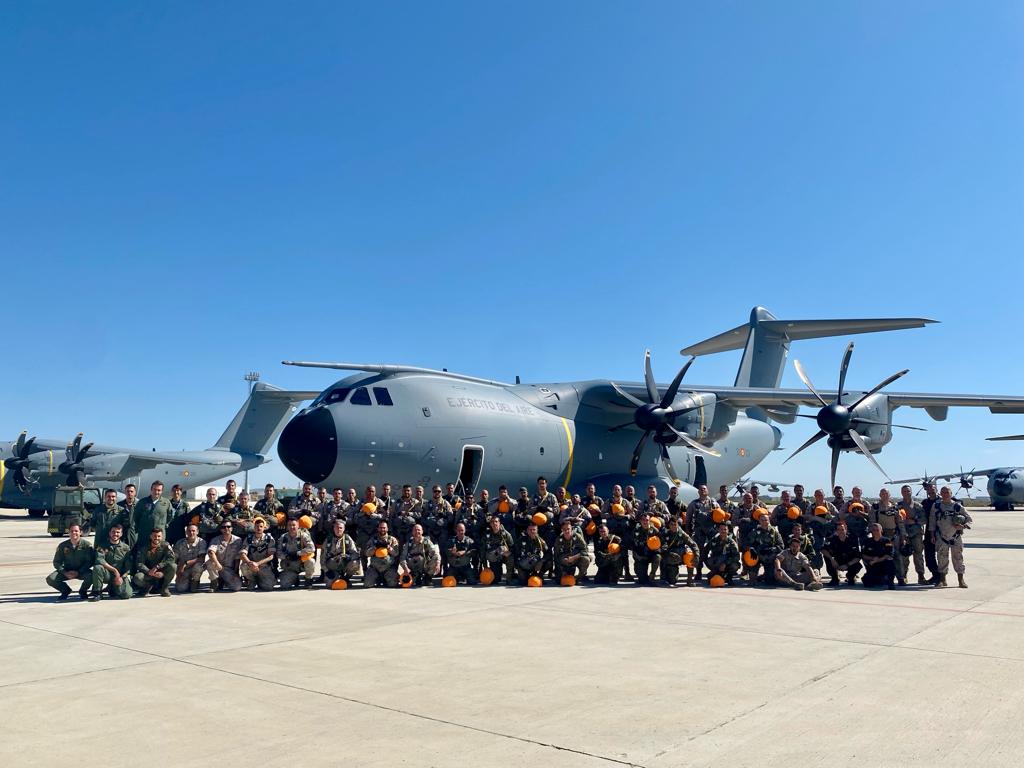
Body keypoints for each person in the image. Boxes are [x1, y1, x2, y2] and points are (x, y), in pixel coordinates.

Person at [932, 485, 973, 588]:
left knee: (958, 558)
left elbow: (969, 520)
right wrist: (932, 535)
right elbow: (932, 521)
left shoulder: (957, 507)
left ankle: (961, 580)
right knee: (942, 558)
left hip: (955, 537)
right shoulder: (936, 506)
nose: (945, 494)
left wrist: (962, 526)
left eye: (947, 492)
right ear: (940, 494)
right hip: (942, 536)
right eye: (943, 492)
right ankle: (942, 580)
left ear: (951, 494)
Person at [47, 522, 94, 600]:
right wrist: (64, 572)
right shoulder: (63, 546)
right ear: (68, 532)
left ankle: (83, 591)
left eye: (76, 531)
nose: (74, 533)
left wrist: (79, 572)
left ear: (80, 532)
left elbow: (90, 561)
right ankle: (65, 590)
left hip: (82, 571)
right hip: (67, 571)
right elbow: (57, 562)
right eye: (71, 531)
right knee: (51, 579)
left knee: (92, 576)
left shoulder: (87, 545)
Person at [870, 488, 907, 585]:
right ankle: (884, 577)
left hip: (894, 535)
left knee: (897, 557)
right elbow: (872, 523)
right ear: (879, 495)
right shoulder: (875, 507)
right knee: (882, 557)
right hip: (881, 536)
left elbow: (900, 523)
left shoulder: (895, 507)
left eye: (886, 493)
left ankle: (901, 578)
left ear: (889, 495)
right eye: (882, 493)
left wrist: (903, 536)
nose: (884, 495)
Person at [90, 523, 132, 601]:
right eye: (113, 532)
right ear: (109, 533)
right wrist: (114, 570)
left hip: (120, 575)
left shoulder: (125, 548)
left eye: (118, 532)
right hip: (107, 574)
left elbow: (128, 566)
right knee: (97, 567)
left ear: (121, 534)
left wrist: (121, 577)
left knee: (126, 594)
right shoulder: (102, 545)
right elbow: (100, 560)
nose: (115, 534)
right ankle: (98, 592)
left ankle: (112, 588)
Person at [686, 485, 718, 582]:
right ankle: (698, 571)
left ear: (707, 491)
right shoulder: (693, 504)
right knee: (698, 551)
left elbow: (719, 515)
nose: (703, 490)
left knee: (716, 550)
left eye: (704, 489)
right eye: (701, 489)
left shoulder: (713, 502)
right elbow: (688, 518)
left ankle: (715, 570)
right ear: (698, 492)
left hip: (711, 530)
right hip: (699, 531)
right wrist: (688, 530)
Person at [897, 485, 927, 584]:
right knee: (904, 555)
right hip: (904, 533)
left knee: (918, 555)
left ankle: (921, 575)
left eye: (908, 491)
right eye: (904, 491)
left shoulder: (918, 506)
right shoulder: (898, 506)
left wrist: (914, 521)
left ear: (911, 492)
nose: (906, 493)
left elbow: (924, 519)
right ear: (901, 493)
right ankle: (903, 575)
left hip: (916, 533)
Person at [132, 528, 176, 597]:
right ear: (150, 536)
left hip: (161, 572)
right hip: (148, 573)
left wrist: (158, 567)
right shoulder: (144, 547)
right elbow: (139, 563)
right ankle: (147, 587)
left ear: (162, 537)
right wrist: (149, 571)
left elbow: (171, 558)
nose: (157, 538)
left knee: (173, 566)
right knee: (138, 577)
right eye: (154, 536)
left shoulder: (166, 545)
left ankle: (164, 588)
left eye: (159, 536)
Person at [603, 485, 634, 580]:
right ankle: (614, 573)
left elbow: (632, 515)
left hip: (624, 531)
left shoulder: (626, 502)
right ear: (613, 491)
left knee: (624, 553)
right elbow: (602, 514)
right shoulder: (609, 502)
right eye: (615, 489)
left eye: (618, 489)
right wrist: (611, 514)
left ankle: (627, 573)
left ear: (621, 491)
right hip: (612, 531)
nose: (617, 491)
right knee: (612, 551)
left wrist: (625, 516)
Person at [240, 517, 277, 592]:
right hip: (251, 565)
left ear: (264, 528)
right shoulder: (249, 538)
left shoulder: (269, 538)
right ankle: (251, 580)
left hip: (264, 565)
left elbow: (271, 556)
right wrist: (250, 563)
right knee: (244, 566)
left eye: (261, 526)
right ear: (254, 527)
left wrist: (257, 563)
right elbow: (242, 554)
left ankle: (260, 580)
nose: (259, 528)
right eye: (257, 526)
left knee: (268, 587)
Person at [422, 486, 453, 574]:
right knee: (431, 552)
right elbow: (423, 517)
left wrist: (444, 521)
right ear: (433, 492)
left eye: (439, 491)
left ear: (441, 492)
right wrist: (429, 522)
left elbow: (451, 517)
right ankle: (433, 571)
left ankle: (445, 570)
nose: (437, 493)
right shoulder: (428, 504)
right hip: (431, 532)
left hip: (442, 531)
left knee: (443, 551)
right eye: (435, 491)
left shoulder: (445, 504)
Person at [278, 518, 316, 589]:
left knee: (311, 561)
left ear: (298, 525)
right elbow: (278, 552)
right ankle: (294, 578)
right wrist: (287, 556)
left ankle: (308, 579)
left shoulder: (303, 535)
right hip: (290, 564)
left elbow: (312, 548)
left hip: (302, 563)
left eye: (294, 525)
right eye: (289, 525)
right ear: (287, 526)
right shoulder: (283, 537)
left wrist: (298, 553)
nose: (292, 527)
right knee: (284, 585)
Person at [821, 519, 862, 586]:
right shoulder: (832, 539)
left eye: (842, 529)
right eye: (838, 530)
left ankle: (850, 577)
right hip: (837, 561)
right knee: (826, 557)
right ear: (836, 531)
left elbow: (858, 556)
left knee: (857, 565)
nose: (841, 531)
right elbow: (823, 550)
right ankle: (835, 579)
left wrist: (847, 565)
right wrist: (832, 559)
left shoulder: (853, 539)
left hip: (848, 562)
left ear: (846, 529)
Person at [660, 515, 697, 587]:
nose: (673, 526)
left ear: (677, 525)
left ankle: (690, 580)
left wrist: (696, 555)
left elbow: (693, 544)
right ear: (669, 525)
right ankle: (664, 576)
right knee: (672, 581)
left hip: (681, 556)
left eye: (675, 524)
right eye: (671, 524)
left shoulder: (681, 534)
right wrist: (668, 553)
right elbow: (661, 548)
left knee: (690, 555)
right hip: (671, 558)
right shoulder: (665, 533)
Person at [747, 513, 784, 584]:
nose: (764, 522)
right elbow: (747, 544)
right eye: (762, 520)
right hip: (757, 556)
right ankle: (753, 575)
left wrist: (771, 549)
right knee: (752, 582)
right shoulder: (754, 532)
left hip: (769, 558)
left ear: (769, 520)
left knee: (770, 581)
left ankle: (763, 576)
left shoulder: (774, 532)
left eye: (766, 520)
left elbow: (781, 546)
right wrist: (752, 550)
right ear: (759, 521)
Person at [321, 519, 360, 588]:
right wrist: (326, 571)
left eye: (340, 528)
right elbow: (322, 558)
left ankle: (346, 578)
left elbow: (355, 553)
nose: (338, 530)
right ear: (333, 528)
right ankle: (335, 577)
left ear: (344, 529)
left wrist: (349, 557)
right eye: (336, 527)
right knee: (330, 585)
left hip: (344, 563)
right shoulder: (328, 540)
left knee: (355, 563)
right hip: (332, 565)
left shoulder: (347, 539)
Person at [206, 520, 243, 592]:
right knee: (210, 563)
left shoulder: (238, 540)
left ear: (232, 528)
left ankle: (224, 581)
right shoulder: (215, 539)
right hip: (218, 567)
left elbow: (237, 558)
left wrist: (236, 573)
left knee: (237, 587)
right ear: (221, 529)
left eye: (228, 526)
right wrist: (217, 564)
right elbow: (211, 552)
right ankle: (214, 582)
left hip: (229, 569)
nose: (226, 528)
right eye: (223, 527)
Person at [479, 514, 515, 584]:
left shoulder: (506, 534)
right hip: (494, 558)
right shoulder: (486, 535)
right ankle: (497, 573)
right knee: (496, 580)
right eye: (492, 522)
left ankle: (509, 578)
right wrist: (485, 566)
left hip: (504, 556)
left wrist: (508, 552)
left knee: (510, 558)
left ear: (499, 523)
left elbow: (512, 547)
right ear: (490, 524)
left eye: (496, 521)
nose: (494, 523)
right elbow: (482, 551)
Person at [173, 523, 208, 593]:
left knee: (198, 567)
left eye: (193, 531)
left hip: (194, 567)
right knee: (181, 589)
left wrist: (186, 563)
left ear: (197, 532)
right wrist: (178, 571)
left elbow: (201, 558)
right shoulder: (179, 543)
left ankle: (195, 582)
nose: (191, 533)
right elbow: (175, 558)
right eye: (189, 531)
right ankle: (187, 580)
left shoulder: (202, 542)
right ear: (186, 532)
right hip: (183, 569)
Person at [363, 521, 400, 588]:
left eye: (384, 528)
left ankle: (385, 579)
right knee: (367, 584)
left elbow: (396, 553)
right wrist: (374, 548)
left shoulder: (392, 539)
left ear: (387, 529)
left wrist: (389, 548)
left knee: (393, 584)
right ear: (378, 528)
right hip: (375, 568)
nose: (382, 529)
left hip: (388, 568)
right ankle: (377, 579)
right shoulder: (373, 539)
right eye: (380, 528)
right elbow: (367, 553)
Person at [861, 522, 897, 589]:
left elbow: (889, 555)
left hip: (884, 564)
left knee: (890, 563)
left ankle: (890, 582)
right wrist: (872, 558)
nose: (875, 532)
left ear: (881, 531)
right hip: (872, 565)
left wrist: (877, 560)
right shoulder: (867, 541)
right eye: (874, 530)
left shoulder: (887, 541)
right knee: (867, 582)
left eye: (877, 530)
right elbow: (863, 555)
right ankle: (878, 579)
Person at [631, 512, 662, 586]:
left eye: (647, 520)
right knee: (642, 580)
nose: (645, 522)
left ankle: (652, 576)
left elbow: (662, 543)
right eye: (643, 520)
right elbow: (632, 545)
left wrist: (657, 551)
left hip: (652, 555)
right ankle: (643, 577)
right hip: (641, 556)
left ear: (649, 521)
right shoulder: (636, 531)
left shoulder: (654, 530)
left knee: (658, 557)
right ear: (640, 521)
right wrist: (637, 556)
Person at [921, 483, 942, 584]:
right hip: (929, 531)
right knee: (929, 556)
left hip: (942, 531)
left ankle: (942, 577)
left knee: (942, 555)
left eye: (933, 489)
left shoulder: (942, 501)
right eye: (929, 489)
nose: (931, 491)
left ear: (936, 489)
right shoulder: (925, 502)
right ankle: (935, 575)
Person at [118, 483, 139, 550]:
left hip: (135, 534)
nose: (129, 493)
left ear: (135, 492)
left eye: (131, 491)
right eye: (128, 491)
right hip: (122, 535)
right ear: (125, 492)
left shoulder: (140, 505)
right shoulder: (119, 505)